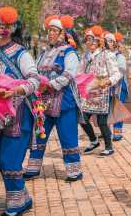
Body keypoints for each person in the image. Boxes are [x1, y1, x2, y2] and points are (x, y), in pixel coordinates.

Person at [0, 7, 40, 216]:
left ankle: (16, 205)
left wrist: (14, 90)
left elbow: (34, 80)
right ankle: (22, 198)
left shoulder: (21, 53)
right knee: (1, 161)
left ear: (7, 29)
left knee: (11, 161)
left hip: (17, 115)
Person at [24, 18, 83, 182]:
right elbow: (36, 72)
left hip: (64, 101)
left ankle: (74, 170)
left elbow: (69, 74)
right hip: (43, 101)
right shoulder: (43, 53)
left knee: (67, 135)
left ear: (62, 34)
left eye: (54, 30)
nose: (50, 33)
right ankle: (33, 167)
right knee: (39, 134)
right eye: (49, 30)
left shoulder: (69, 53)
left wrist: (50, 85)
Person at [79, 26, 121, 156]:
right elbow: (79, 73)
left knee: (102, 122)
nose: (89, 42)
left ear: (98, 41)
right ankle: (93, 140)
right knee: (82, 118)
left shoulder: (107, 54)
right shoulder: (85, 56)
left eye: (91, 39)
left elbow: (117, 74)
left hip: (102, 92)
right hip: (88, 92)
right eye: (87, 39)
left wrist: (108, 81)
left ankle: (109, 146)